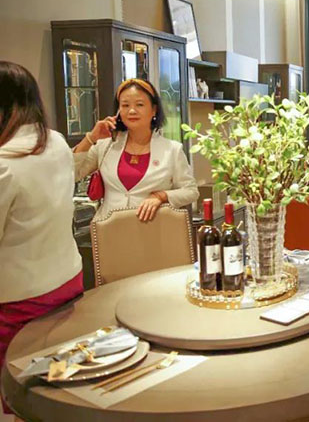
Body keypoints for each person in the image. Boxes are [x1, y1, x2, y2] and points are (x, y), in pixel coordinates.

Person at [0, 62, 84, 414]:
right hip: (66, 280)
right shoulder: (57, 143)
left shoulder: (6, 163)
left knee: (20, 391)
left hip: (20, 297)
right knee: (56, 380)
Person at [72, 78, 198, 221]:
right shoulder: (106, 145)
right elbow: (73, 173)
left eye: (139, 104)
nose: (132, 111)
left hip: (154, 229)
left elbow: (191, 191)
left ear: (154, 110)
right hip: (110, 228)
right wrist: (91, 138)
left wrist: (161, 196)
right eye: (125, 105)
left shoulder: (172, 150)